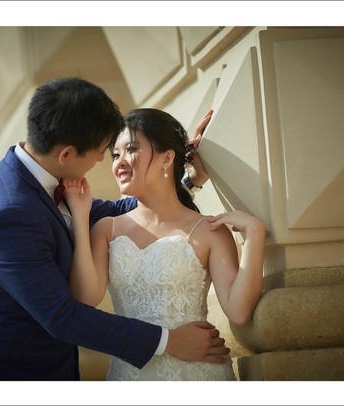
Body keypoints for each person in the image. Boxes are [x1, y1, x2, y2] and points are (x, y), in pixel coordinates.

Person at [0, 77, 229, 380]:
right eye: (103, 151)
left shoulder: (47, 178)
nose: (105, 160)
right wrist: (169, 341)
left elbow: (132, 211)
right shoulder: (10, 214)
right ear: (66, 154)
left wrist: (181, 174)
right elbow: (62, 317)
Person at [62, 108, 265, 380]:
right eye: (115, 154)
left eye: (131, 149)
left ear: (167, 158)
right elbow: (85, 298)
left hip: (198, 377)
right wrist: (79, 214)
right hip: (130, 377)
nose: (119, 162)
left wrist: (254, 234)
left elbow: (239, 312)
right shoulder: (106, 229)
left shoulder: (209, 231)